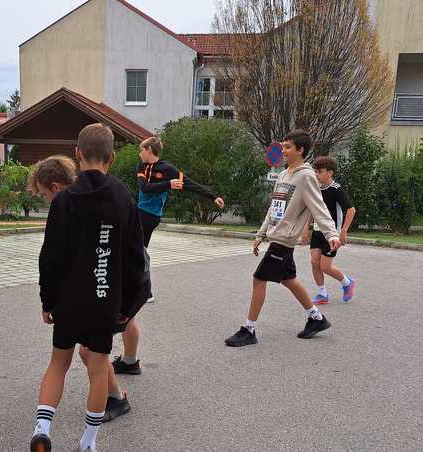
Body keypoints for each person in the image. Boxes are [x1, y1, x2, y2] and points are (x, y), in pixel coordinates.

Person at [29, 124, 145, 452]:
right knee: (97, 369)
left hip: (67, 300)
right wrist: (128, 306)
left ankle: (43, 427)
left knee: (58, 364)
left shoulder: (65, 199)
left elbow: (49, 257)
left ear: (77, 154)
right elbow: (135, 258)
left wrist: (47, 301)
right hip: (105, 300)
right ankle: (89, 442)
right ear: (111, 156)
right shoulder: (123, 197)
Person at [113, 136, 225, 376]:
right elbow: (144, 188)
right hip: (139, 211)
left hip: (149, 216)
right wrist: (167, 186)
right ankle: (143, 288)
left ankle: (143, 289)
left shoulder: (168, 170)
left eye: (141, 150)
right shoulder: (142, 168)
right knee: (136, 249)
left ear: (149, 150)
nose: (139, 154)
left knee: (136, 251)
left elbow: (190, 183)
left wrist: (212, 195)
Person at [225, 130, 341, 347]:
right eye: (283, 146)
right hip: (276, 235)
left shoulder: (306, 177)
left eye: (288, 147)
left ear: (300, 150)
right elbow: (274, 208)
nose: (283, 151)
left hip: (284, 240)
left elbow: (319, 208)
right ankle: (316, 318)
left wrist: (332, 234)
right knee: (289, 279)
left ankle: (249, 329)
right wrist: (261, 234)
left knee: (259, 279)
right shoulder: (283, 174)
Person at [301, 156, 357, 304]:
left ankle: (347, 282)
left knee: (325, 266)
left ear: (330, 173)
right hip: (318, 232)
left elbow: (351, 210)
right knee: (314, 262)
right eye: (315, 171)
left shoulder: (336, 189)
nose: (316, 174)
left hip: (332, 234)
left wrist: (343, 231)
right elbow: (312, 210)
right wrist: (306, 229)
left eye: (320, 171)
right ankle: (322, 294)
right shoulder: (316, 189)